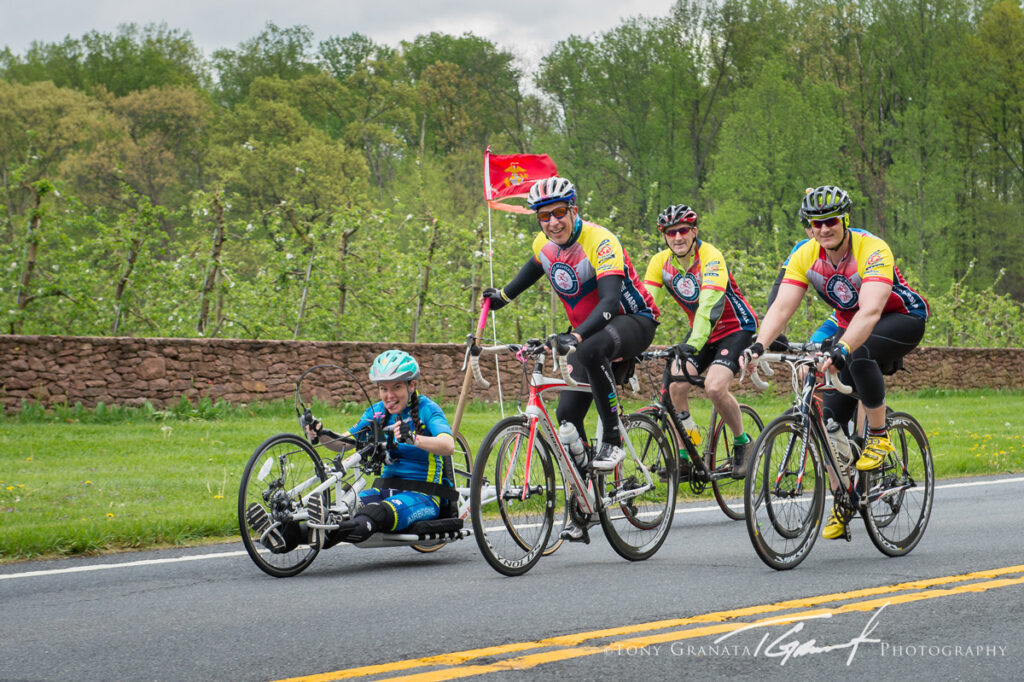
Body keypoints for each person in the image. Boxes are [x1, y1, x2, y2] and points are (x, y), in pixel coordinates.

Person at [743, 185, 929, 539]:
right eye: (816, 223)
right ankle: (846, 497)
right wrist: (757, 346)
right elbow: (782, 307)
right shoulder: (804, 254)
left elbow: (871, 310)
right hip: (847, 319)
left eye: (830, 221)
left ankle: (878, 435)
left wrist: (840, 350)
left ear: (844, 221)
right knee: (827, 420)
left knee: (856, 351)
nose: (823, 228)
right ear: (808, 227)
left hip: (900, 317)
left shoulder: (872, 249)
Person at [482, 176, 659, 476]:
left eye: (559, 212)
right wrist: (502, 297)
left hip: (633, 319)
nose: (552, 222)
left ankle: (613, 441)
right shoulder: (544, 244)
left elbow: (608, 301)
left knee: (590, 349)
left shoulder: (601, 242)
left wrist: (574, 336)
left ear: (574, 210)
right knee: (566, 419)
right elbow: (533, 269)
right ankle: (585, 500)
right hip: (589, 329)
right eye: (543, 215)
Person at [643, 204, 759, 479]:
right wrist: (631, 339)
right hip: (702, 332)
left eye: (683, 230)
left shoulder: (711, 256)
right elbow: (646, 307)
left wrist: (694, 343)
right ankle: (687, 452)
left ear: (694, 232)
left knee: (715, 387)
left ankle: (743, 441)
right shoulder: (660, 263)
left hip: (735, 327)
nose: (678, 237)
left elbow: (710, 305)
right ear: (664, 236)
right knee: (675, 386)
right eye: (671, 232)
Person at [303, 349, 456, 544]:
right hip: (385, 491)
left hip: (422, 495)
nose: (389, 395)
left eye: (397, 387)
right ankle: (288, 534)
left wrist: (414, 438)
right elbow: (347, 441)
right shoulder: (376, 412)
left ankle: (328, 532)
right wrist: (321, 434)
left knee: (373, 513)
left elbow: (448, 445)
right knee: (343, 507)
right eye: (383, 388)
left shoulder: (428, 409)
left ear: (412, 385)